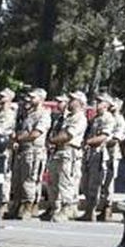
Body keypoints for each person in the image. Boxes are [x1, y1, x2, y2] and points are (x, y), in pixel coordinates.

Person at [44, 91, 87, 221]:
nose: (69, 101)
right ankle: (55, 208)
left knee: (66, 182)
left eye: (72, 99)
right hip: (59, 150)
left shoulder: (80, 117)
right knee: (53, 181)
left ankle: (67, 208)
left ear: (80, 103)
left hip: (69, 151)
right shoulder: (68, 117)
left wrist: (52, 140)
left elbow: (67, 135)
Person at [9, 88, 51, 219]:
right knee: (18, 180)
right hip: (22, 150)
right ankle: (17, 205)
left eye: (33, 97)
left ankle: (28, 206)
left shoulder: (43, 115)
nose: (29, 99)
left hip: (33, 151)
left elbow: (35, 134)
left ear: (41, 99)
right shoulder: (28, 114)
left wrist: (19, 138)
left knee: (29, 180)